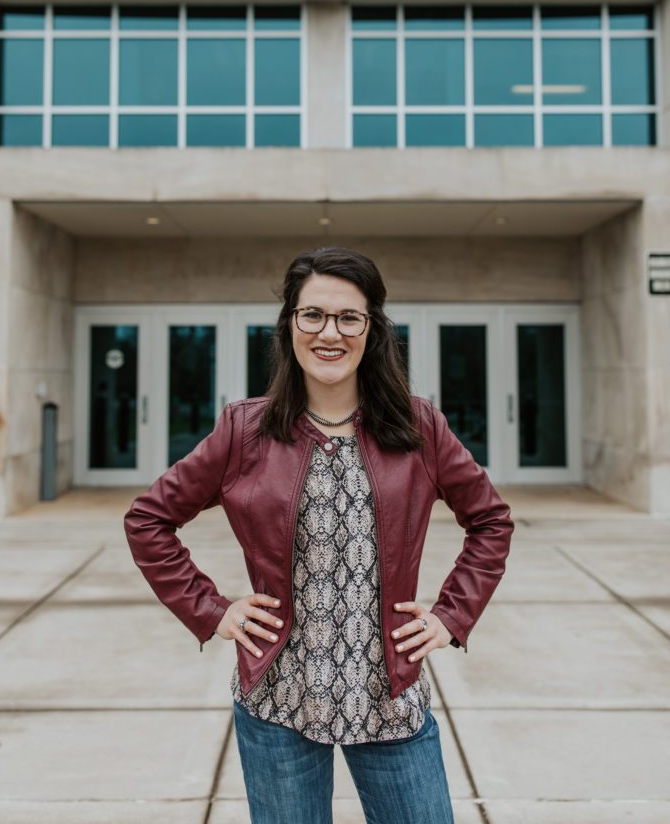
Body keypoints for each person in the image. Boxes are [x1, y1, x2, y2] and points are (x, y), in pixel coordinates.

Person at [124, 247, 513, 824]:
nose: (329, 332)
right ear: (290, 324)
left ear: (371, 330)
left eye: (348, 317)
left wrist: (451, 615)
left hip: (389, 700)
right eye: (313, 315)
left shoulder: (419, 426)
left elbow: (490, 521)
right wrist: (211, 611)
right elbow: (149, 520)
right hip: (279, 702)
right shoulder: (245, 430)